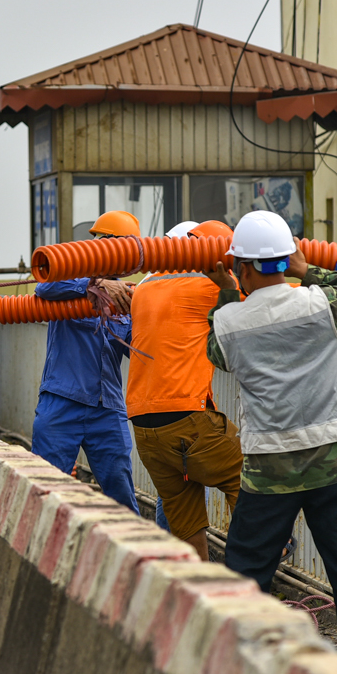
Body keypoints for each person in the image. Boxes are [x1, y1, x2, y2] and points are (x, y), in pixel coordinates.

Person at [205, 210, 337, 663]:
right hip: (335, 459)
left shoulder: (229, 323)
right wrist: (307, 269)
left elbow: (218, 351)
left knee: (247, 574)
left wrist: (227, 293)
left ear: (242, 266)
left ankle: (236, 664)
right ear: (285, 259)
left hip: (271, 468)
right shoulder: (318, 305)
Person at [128, 220, 242, 560]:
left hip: (145, 433)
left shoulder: (145, 288)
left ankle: (202, 594)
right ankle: (261, 556)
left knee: (186, 524)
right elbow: (264, 298)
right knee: (253, 474)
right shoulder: (211, 283)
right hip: (189, 421)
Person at [31, 210, 140, 515]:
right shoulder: (71, 274)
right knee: (44, 490)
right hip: (62, 402)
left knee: (120, 494)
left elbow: (139, 345)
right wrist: (95, 284)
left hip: (107, 409)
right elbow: (45, 286)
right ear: (105, 245)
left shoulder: (128, 297)